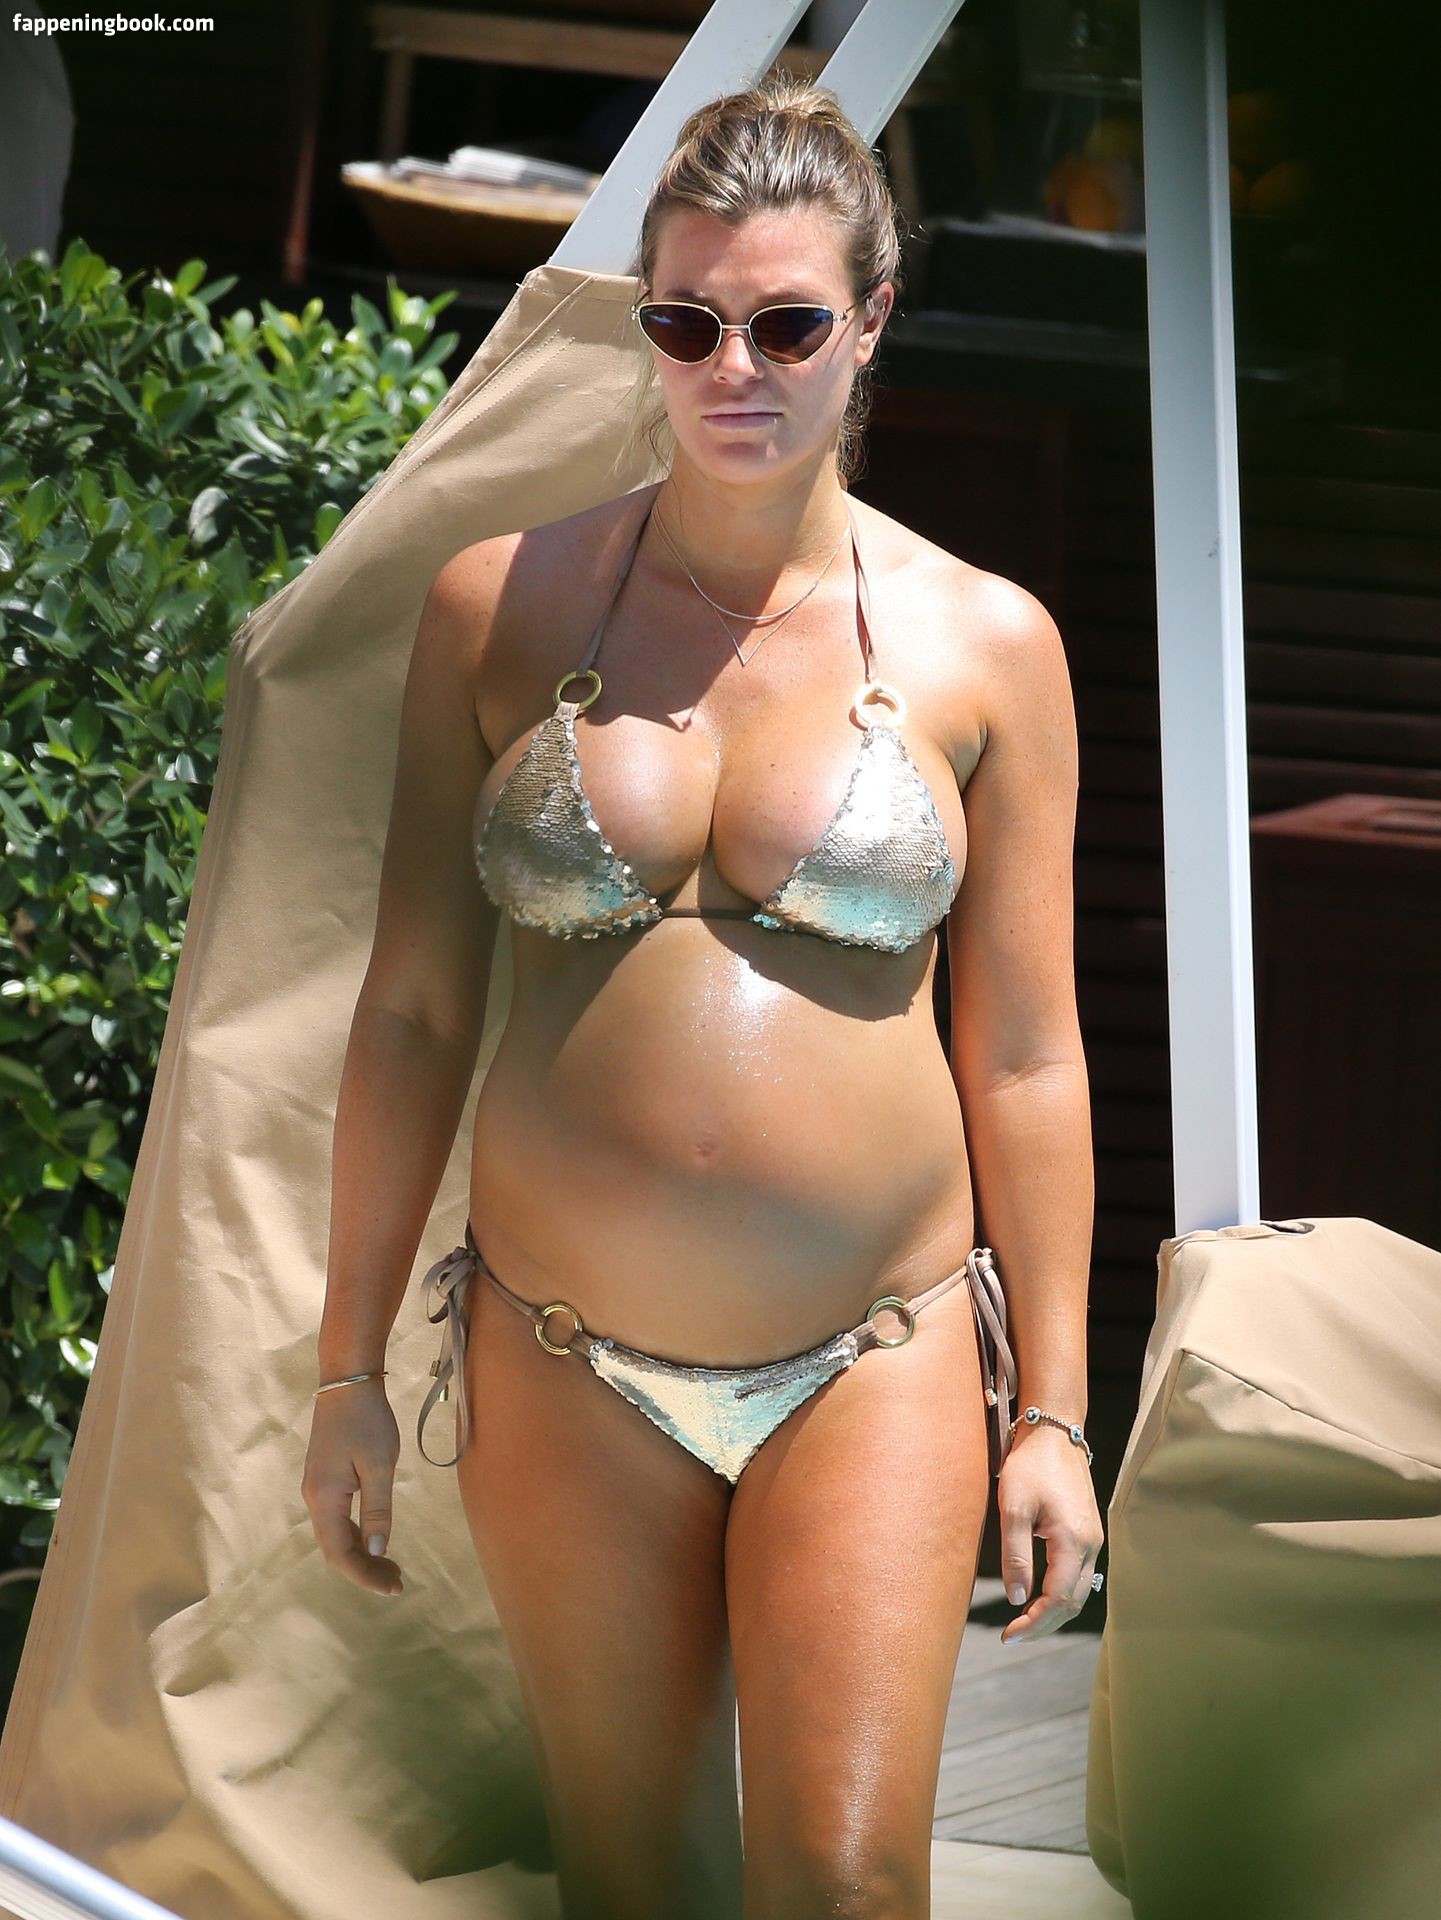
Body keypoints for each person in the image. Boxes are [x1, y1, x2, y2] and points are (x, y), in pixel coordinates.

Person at [302, 73, 1104, 1920]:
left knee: (848, 1884)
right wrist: (347, 1371)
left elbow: (1028, 1055)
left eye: (785, 324)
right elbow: (410, 1014)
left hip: (873, 1356)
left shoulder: (988, 644)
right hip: (561, 1353)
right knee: (629, 1886)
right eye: (686, 324)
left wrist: (1052, 1415)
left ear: (870, 324)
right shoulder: (496, 608)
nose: (733, 366)